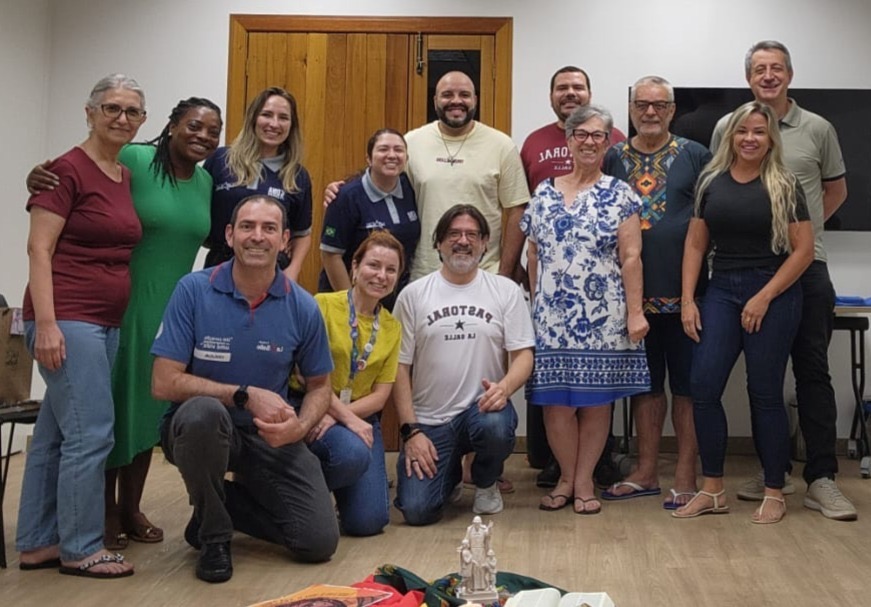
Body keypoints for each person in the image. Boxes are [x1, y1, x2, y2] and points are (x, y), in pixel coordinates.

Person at [26, 97, 223, 550]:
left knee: (147, 409)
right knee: (111, 407)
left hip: (171, 311)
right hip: (122, 304)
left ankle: (131, 507)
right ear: (171, 125)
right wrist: (36, 176)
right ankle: (104, 509)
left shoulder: (206, 181)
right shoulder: (136, 158)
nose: (203, 136)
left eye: (213, 131)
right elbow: (77, 177)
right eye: (194, 125)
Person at [151, 195, 338, 583]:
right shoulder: (193, 291)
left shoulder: (303, 306)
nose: (257, 236)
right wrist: (243, 394)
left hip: (268, 435)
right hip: (199, 429)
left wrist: (301, 427)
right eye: (247, 226)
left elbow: (321, 385)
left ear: (284, 240)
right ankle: (214, 536)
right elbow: (163, 381)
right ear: (229, 235)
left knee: (318, 542)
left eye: (269, 228)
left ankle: (216, 507)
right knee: (203, 413)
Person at [710, 40, 855, 521]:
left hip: (805, 269)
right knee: (763, 380)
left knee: (812, 371)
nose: (768, 76)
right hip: (743, 271)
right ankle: (775, 473)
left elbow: (836, 190)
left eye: (776, 68)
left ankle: (822, 478)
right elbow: (719, 187)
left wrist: (800, 234)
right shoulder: (728, 127)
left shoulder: (818, 128)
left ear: (789, 75)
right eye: (759, 69)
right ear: (748, 78)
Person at [17, 74, 145, 578]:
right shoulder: (64, 171)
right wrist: (47, 324)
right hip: (69, 319)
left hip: (103, 323)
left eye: (132, 111)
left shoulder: (122, 173)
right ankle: (82, 547)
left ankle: (38, 542)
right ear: (89, 112)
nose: (121, 118)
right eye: (111, 107)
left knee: (55, 435)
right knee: (92, 435)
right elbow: (38, 248)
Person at [676, 101, 814, 524]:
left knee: (765, 392)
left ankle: (774, 490)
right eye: (742, 131)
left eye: (759, 131)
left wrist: (764, 296)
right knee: (703, 387)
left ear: (771, 138)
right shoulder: (711, 181)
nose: (749, 138)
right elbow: (696, 244)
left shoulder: (785, 183)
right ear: (731, 136)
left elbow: (803, 251)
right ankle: (713, 489)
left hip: (774, 291)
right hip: (721, 290)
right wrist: (688, 300)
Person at [521, 104, 650, 515]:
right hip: (552, 318)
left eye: (598, 135)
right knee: (556, 403)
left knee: (596, 402)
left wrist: (635, 312)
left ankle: (583, 482)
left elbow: (631, 257)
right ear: (569, 140)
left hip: (603, 317)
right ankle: (565, 477)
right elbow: (533, 254)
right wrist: (536, 305)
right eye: (582, 134)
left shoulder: (621, 194)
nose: (589, 142)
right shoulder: (544, 193)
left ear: (608, 142)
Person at [599, 76, 711, 509]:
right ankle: (645, 471)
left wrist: (691, 296)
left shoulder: (696, 155)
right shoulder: (613, 157)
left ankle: (685, 474)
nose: (650, 112)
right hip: (632, 302)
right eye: (642, 104)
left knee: (687, 387)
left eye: (659, 105)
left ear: (672, 110)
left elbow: (709, 221)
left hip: (686, 298)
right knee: (645, 387)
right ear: (630, 109)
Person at [392, 205, 534, 524]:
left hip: (481, 411)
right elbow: (398, 368)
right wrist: (411, 431)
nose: (463, 241)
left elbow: (523, 355)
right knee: (417, 511)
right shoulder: (413, 295)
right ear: (438, 242)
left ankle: (485, 482)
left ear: (484, 243)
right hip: (430, 421)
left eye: (472, 234)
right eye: (453, 234)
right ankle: (451, 475)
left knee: (495, 426)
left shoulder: (505, 291)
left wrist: (504, 388)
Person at [303, 231, 405, 536]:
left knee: (368, 522)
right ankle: (298, 498)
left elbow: (380, 396)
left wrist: (340, 416)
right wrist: (334, 412)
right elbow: (305, 372)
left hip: (358, 416)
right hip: (312, 408)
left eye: (391, 270)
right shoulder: (322, 304)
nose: (381, 276)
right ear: (355, 267)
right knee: (349, 454)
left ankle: (319, 500)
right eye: (373, 265)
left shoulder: (392, 327)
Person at [204, 87, 312, 280]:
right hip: (219, 269)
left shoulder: (297, 176)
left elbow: (302, 233)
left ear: (292, 125)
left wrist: (293, 271)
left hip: (271, 273)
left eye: (283, 117)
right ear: (253, 118)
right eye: (267, 115)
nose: (274, 124)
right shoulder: (220, 160)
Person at [319, 128, 420, 310]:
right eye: (383, 149)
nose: (392, 155)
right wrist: (352, 305)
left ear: (406, 158)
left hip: (393, 299)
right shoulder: (346, 196)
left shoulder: (412, 188)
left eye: (398, 150)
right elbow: (331, 255)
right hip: (350, 302)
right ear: (368, 158)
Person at [520, 65, 627, 192]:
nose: (570, 93)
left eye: (578, 87)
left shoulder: (614, 138)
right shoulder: (533, 142)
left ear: (589, 95)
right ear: (551, 97)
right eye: (562, 88)